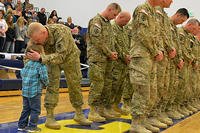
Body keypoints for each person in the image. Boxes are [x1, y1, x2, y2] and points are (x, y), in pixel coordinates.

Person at [26, 22, 92, 130]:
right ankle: (50, 117)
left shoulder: (62, 31)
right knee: (51, 85)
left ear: (44, 32)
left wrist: (41, 58)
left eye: (38, 40)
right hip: (51, 60)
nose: (37, 42)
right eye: (35, 40)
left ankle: (79, 114)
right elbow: (29, 53)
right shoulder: (36, 37)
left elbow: (61, 56)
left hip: (70, 58)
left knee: (75, 85)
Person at [128, 0, 164, 132]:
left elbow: (156, 36)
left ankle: (145, 120)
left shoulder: (153, 12)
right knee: (141, 91)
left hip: (151, 57)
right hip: (141, 56)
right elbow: (142, 33)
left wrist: (159, 50)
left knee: (151, 92)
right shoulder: (142, 9)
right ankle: (136, 124)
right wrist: (155, 51)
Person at [87, 3, 121, 122]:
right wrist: (109, 53)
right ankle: (92, 111)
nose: (114, 17)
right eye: (114, 14)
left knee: (107, 85)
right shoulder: (96, 21)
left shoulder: (107, 23)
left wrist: (114, 52)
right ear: (109, 9)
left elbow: (111, 41)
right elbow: (97, 40)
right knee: (97, 85)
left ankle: (102, 109)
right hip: (97, 59)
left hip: (108, 59)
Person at [18, 45, 49, 132]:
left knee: (26, 109)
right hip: (35, 92)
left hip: (25, 92)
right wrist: (47, 84)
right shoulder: (41, 65)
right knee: (35, 110)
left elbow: (22, 73)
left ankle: (21, 125)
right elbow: (44, 77)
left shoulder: (27, 64)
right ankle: (32, 127)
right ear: (39, 54)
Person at [110, 11, 131, 116]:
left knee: (121, 86)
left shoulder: (124, 29)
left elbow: (126, 44)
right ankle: (109, 106)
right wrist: (124, 56)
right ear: (120, 17)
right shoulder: (112, 27)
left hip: (124, 63)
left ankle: (115, 105)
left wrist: (128, 55)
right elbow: (114, 45)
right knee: (114, 85)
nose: (127, 23)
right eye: (126, 20)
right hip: (116, 63)